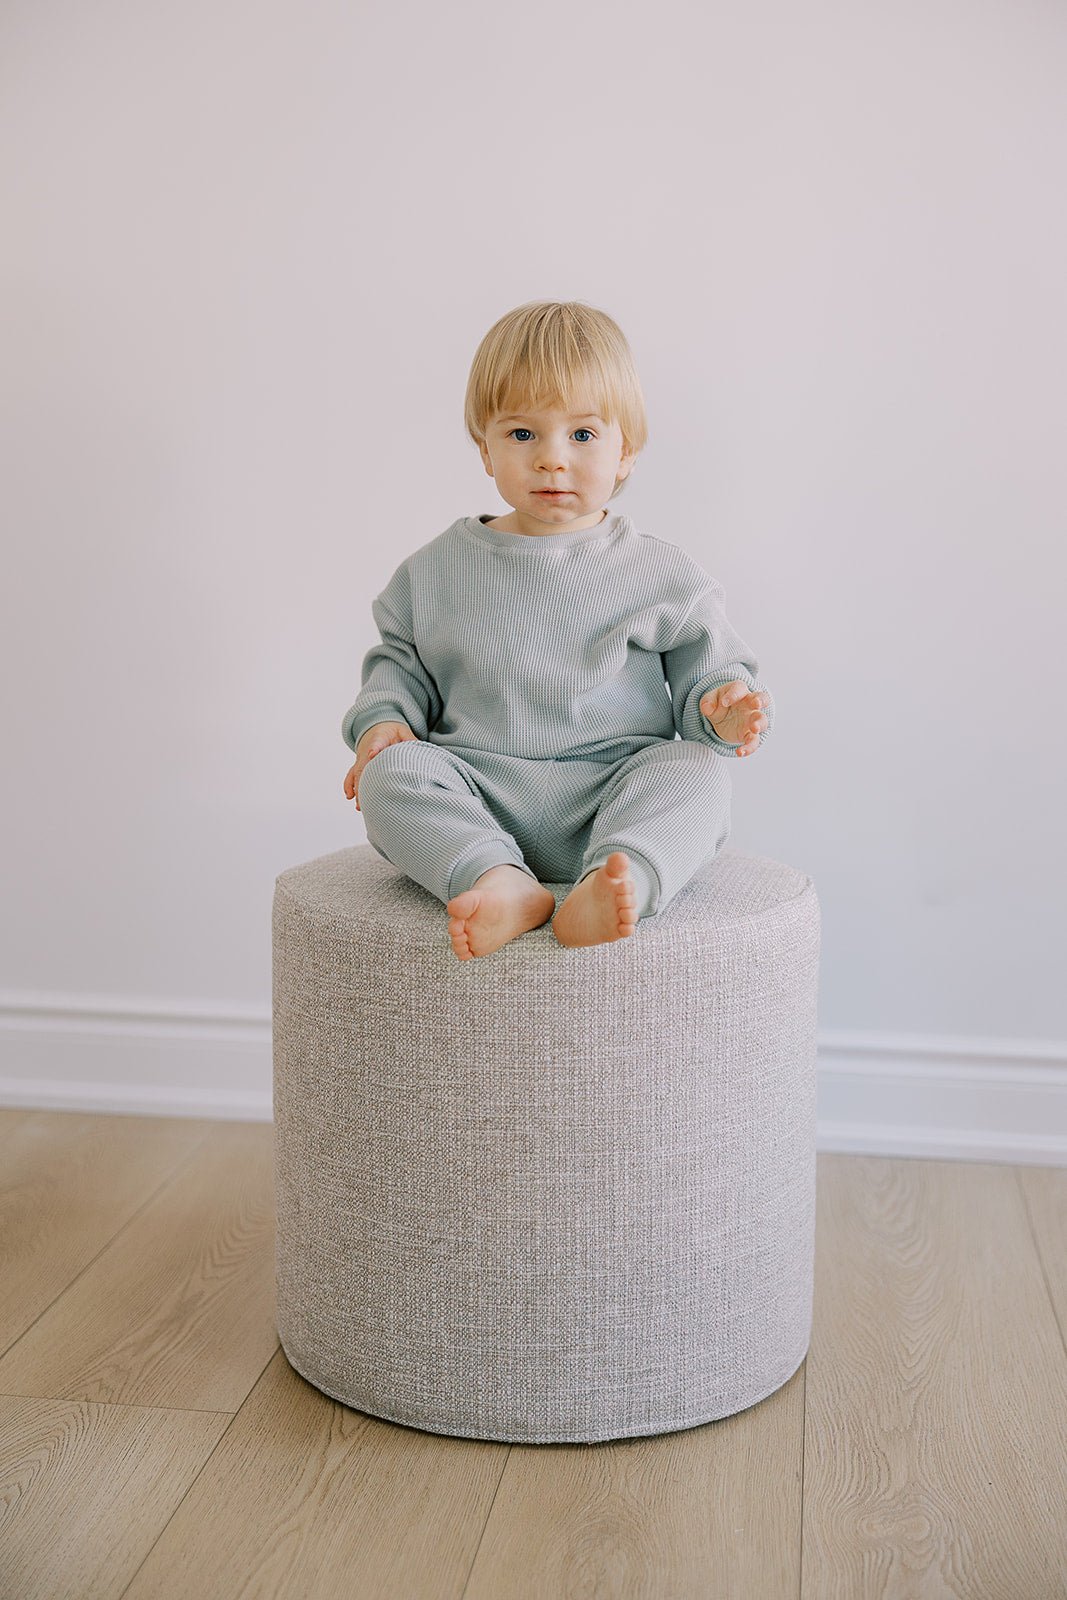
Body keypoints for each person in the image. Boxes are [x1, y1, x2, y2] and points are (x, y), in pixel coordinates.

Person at [342, 300, 772, 961]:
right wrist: (384, 722)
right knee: (390, 775)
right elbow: (397, 668)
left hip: (612, 790)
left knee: (696, 772)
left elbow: (709, 677)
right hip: (480, 792)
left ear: (626, 452)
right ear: (484, 448)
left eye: (582, 435)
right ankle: (496, 878)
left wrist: (723, 707)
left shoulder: (661, 573)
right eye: (522, 434)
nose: (551, 459)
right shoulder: (432, 573)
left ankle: (617, 879)